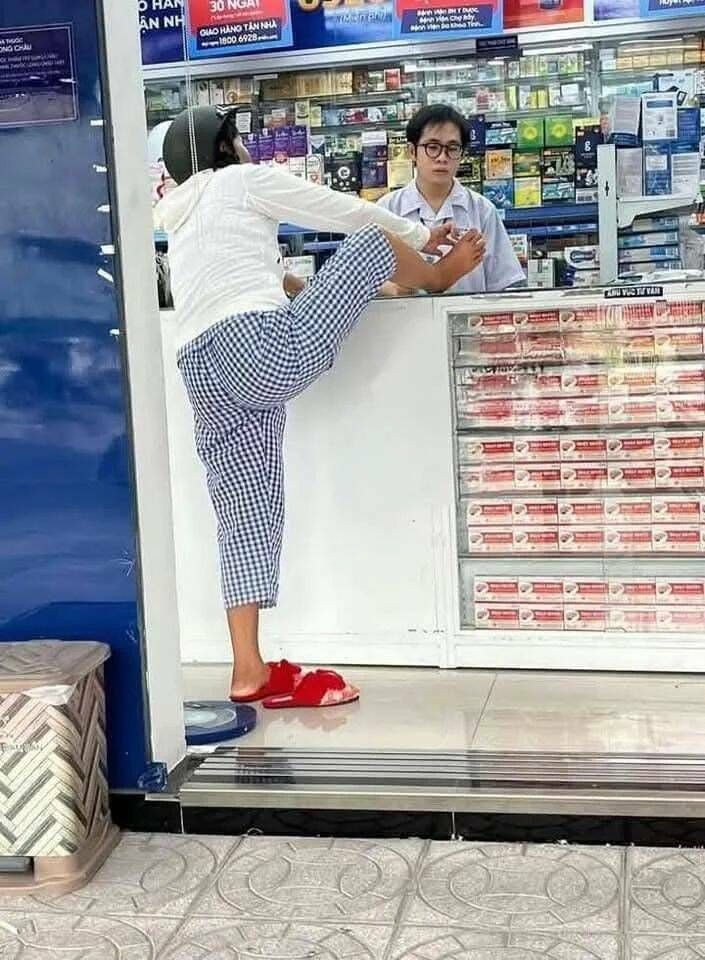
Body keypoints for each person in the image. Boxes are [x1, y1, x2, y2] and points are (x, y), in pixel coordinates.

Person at [155, 105, 486, 706]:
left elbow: (261, 280)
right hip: (258, 348)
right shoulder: (240, 181)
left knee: (243, 510)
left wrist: (326, 289)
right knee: (370, 241)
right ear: (224, 150)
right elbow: (345, 213)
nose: (248, 148)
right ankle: (439, 277)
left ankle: (247, 668)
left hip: (201, 368)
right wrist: (419, 242)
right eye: (239, 139)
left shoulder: (180, 221)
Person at [377, 104, 525, 295]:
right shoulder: (387, 209)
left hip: (467, 314)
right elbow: (364, 284)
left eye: (452, 148)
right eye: (432, 147)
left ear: (462, 154)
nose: (442, 157)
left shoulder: (482, 210)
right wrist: (396, 289)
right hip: (404, 314)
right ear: (412, 151)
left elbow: (505, 283)